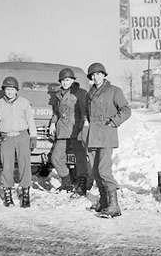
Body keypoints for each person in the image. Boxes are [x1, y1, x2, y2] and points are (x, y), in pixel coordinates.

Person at [86, 62, 131, 218]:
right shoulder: (89, 93)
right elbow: (87, 113)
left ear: (104, 75)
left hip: (106, 133)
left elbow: (126, 110)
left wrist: (113, 121)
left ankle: (114, 206)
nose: (96, 77)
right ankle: (104, 201)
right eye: (93, 75)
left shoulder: (114, 91)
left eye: (98, 74)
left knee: (104, 170)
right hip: (92, 134)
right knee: (94, 170)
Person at [0, 76, 37, 208]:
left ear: (16, 90)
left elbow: (30, 121)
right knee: (7, 166)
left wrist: (33, 137)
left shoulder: (24, 103)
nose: (10, 92)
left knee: (25, 165)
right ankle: (8, 195)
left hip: (22, 136)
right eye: (7, 89)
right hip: (6, 137)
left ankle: (25, 195)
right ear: (4, 90)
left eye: (12, 89)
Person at [49, 68, 89, 197]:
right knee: (56, 157)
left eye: (67, 80)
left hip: (75, 129)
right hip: (62, 131)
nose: (65, 82)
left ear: (72, 80)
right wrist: (52, 123)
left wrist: (83, 127)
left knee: (80, 159)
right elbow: (57, 112)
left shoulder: (80, 93)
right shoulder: (59, 94)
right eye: (63, 80)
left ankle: (82, 186)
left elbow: (84, 112)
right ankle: (67, 183)